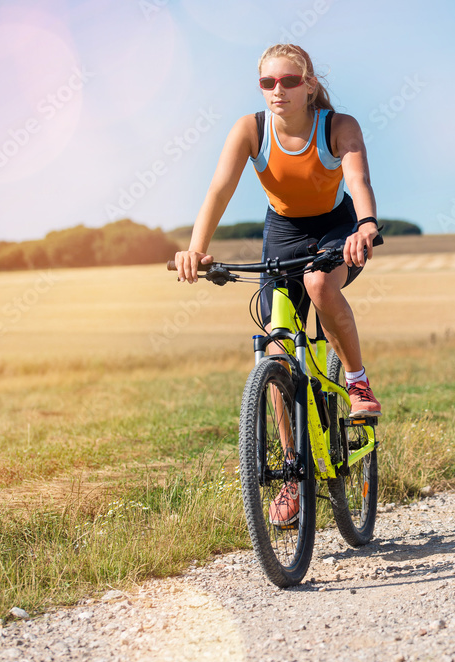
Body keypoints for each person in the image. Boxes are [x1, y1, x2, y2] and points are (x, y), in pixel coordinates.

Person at [173, 44, 382, 525]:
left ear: (309, 84)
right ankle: (292, 470)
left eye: (289, 81)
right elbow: (218, 189)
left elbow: (359, 179)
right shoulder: (250, 129)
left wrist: (366, 224)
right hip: (282, 233)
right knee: (275, 353)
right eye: (268, 83)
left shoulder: (337, 126)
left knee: (319, 285)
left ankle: (356, 380)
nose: (278, 91)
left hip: (335, 229)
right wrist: (195, 248)